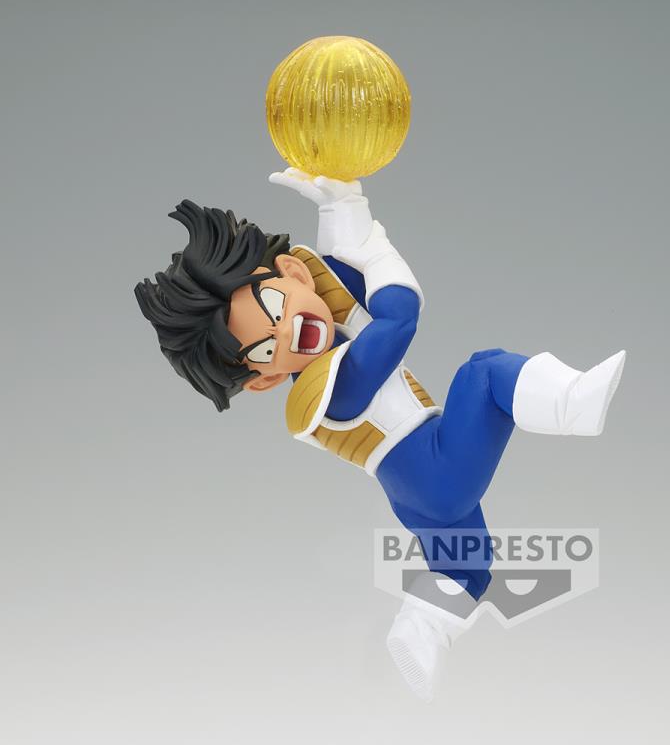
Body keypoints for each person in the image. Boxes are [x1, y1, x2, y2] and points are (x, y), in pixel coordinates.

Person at [135, 168, 626, 700]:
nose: (288, 332)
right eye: (266, 348)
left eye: (276, 308)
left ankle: (420, 632)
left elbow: (342, 274)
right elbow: (398, 316)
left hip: (413, 495)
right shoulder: (334, 385)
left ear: (293, 274)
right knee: (484, 372)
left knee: (467, 565)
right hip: (436, 470)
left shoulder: (327, 335)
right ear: (265, 378)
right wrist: (374, 243)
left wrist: (342, 207)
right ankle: (571, 404)